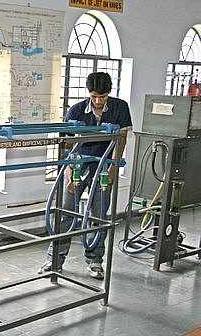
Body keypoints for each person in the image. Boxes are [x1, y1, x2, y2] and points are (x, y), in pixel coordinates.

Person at [39, 72, 132, 280]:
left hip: (104, 165)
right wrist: (70, 173)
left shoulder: (120, 108)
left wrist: (113, 169)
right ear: (88, 93)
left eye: (103, 96)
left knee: (98, 214)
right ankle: (55, 259)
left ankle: (95, 261)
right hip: (78, 165)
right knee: (65, 212)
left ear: (109, 92)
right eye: (94, 96)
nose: (99, 101)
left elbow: (122, 139)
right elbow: (66, 145)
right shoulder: (76, 111)